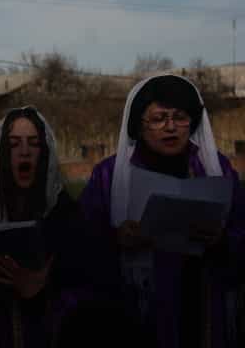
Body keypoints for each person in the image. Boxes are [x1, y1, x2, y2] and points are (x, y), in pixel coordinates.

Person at [79, 74, 245, 348]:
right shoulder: (109, 176)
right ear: (139, 124)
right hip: (133, 313)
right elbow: (80, 242)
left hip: (200, 306)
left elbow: (240, 228)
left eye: (180, 117)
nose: (171, 127)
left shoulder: (216, 169)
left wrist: (222, 242)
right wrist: (116, 238)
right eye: (159, 118)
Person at [0, 106, 90, 348]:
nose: (24, 152)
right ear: (2, 154)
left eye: (33, 144)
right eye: (14, 144)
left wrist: (45, 286)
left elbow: (90, 294)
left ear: (44, 153)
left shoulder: (69, 218)